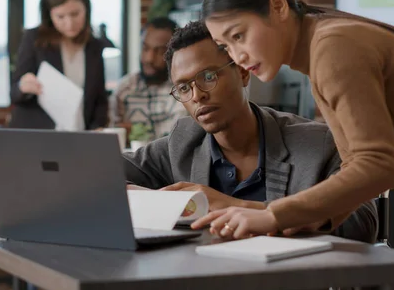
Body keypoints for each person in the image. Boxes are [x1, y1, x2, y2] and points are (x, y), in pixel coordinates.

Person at [191, 0, 394, 290]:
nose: (238, 56)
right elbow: (359, 168)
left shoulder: (333, 48)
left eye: (239, 35)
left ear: (279, 6)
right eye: (226, 46)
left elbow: (379, 165)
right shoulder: (323, 47)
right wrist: (293, 218)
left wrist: (274, 214)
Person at [123, 20, 378, 245]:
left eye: (208, 76)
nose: (197, 94)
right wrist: (159, 202)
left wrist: (239, 207)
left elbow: (363, 223)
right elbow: (101, 178)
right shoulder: (184, 141)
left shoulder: (317, 144)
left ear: (243, 72)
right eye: (183, 87)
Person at [9, 0, 108, 130]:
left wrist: (98, 126)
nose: (69, 23)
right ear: (49, 15)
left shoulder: (94, 46)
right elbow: (13, 93)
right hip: (39, 136)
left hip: (80, 137)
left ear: (86, 9)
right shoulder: (34, 39)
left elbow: (100, 99)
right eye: (60, 17)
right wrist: (23, 86)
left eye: (75, 14)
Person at [110, 17, 188, 140]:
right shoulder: (124, 88)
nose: (149, 58)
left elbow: (178, 141)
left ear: (175, 53)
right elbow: (112, 134)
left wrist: (134, 131)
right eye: (145, 48)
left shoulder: (183, 90)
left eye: (160, 51)